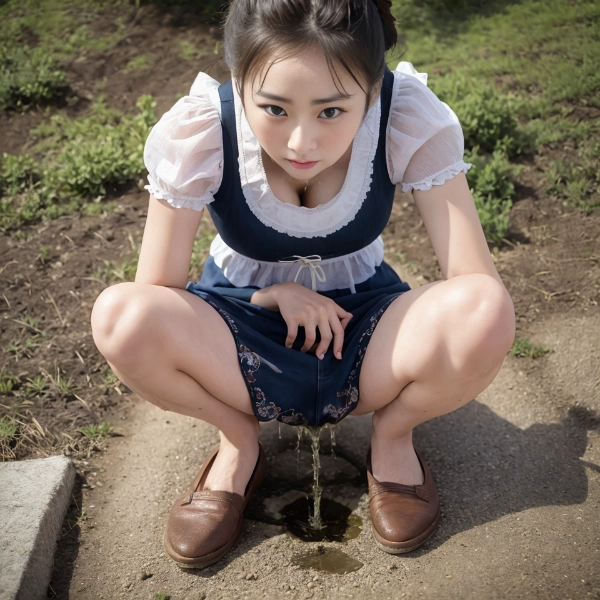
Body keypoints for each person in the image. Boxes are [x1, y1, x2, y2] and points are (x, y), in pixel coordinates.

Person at [91, 0, 515, 568]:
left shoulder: (404, 113)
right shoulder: (202, 127)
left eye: (331, 111)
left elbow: (472, 278)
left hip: (362, 320)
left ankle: (392, 439)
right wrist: (269, 294)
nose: (300, 143)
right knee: (122, 317)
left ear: (371, 91)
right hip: (240, 321)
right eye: (273, 107)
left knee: (485, 309)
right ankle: (238, 441)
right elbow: (157, 295)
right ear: (240, 84)